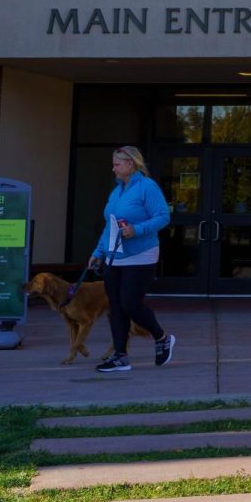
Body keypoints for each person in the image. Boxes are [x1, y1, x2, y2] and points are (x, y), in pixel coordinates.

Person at [89, 146, 175, 373]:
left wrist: (137, 230)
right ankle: (120, 356)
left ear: (130, 164)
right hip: (114, 256)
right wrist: (98, 253)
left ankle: (162, 337)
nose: (113, 168)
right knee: (116, 308)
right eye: (113, 163)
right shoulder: (117, 191)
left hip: (141, 254)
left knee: (130, 304)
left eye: (117, 164)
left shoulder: (147, 187)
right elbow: (110, 225)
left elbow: (163, 217)